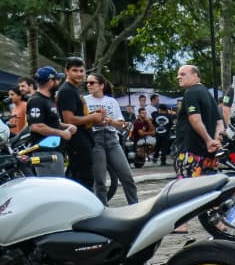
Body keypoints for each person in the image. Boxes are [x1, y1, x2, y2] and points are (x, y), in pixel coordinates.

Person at [172, 64, 223, 233]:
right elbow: (219, 122)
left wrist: (209, 140)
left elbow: (195, 119)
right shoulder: (208, 94)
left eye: (183, 74)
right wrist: (216, 140)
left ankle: (182, 224)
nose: (179, 77)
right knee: (209, 189)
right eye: (178, 74)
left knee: (184, 187)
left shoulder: (192, 93)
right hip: (208, 153)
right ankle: (219, 223)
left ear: (196, 76)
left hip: (191, 150)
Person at [83, 74, 139, 205]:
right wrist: (94, 119)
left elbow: (120, 123)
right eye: (87, 83)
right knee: (100, 181)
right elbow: (82, 121)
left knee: (127, 176)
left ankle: (134, 205)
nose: (89, 85)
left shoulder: (111, 101)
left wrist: (110, 121)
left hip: (112, 139)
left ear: (101, 85)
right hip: (95, 139)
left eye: (92, 82)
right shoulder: (84, 100)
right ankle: (103, 209)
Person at [56, 56, 100, 188]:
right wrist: (93, 118)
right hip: (77, 141)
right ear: (66, 71)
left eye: (81, 71)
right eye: (75, 70)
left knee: (81, 176)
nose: (79, 74)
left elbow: (78, 115)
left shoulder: (74, 89)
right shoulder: (67, 90)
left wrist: (93, 115)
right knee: (83, 179)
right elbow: (69, 120)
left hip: (84, 138)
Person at [24, 67, 76, 150]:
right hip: (44, 151)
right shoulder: (36, 100)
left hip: (55, 149)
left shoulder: (48, 99)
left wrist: (67, 126)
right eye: (57, 79)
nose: (59, 82)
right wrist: (62, 133)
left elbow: (52, 123)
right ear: (51, 82)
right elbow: (36, 126)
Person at [152, 102, 174, 166]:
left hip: (158, 133)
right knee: (164, 147)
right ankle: (163, 161)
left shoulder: (156, 116)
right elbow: (171, 124)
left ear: (160, 109)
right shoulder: (169, 116)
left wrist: (157, 127)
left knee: (157, 146)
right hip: (166, 134)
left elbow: (153, 123)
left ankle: (155, 158)